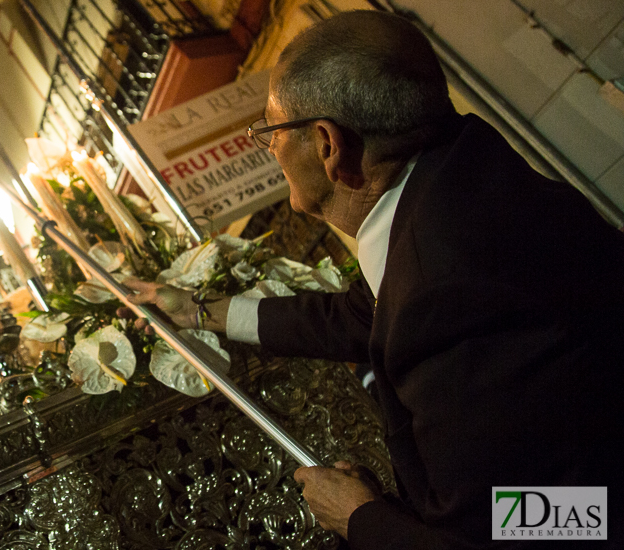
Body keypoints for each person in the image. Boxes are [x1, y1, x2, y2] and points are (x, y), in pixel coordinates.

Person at [125, 10, 624, 549]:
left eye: (270, 130)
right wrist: (202, 313)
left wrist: (363, 518)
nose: (268, 149)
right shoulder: (456, 176)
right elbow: (363, 313)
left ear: (327, 144)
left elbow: (523, 529)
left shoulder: (441, 292)